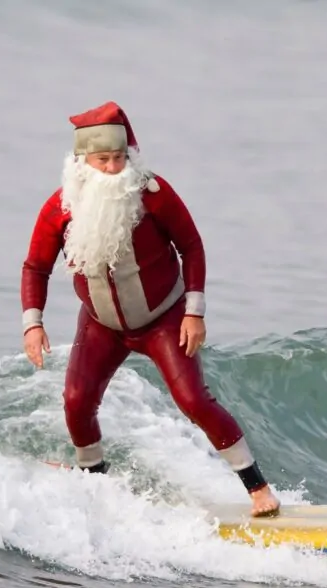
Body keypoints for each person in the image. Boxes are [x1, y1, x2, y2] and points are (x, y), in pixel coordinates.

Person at [19, 101, 281, 518]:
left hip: (164, 317)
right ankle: (94, 481)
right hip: (102, 324)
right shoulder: (61, 207)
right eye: (102, 160)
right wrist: (33, 323)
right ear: (82, 161)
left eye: (119, 158)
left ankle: (258, 488)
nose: (112, 168)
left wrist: (194, 311)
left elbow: (191, 245)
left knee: (193, 399)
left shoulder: (151, 194)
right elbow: (36, 266)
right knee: (76, 398)